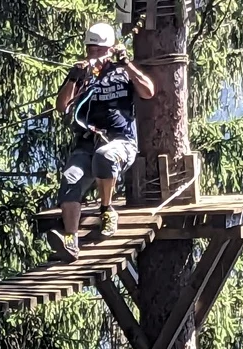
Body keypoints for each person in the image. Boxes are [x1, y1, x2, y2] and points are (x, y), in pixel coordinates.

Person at [46, 22, 155, 262]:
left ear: (109, 49)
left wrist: (126, 64)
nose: (93, 54)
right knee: (70, 177)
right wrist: (74, 78)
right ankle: (70, 241)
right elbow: (62, 106)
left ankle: (106, 210)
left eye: (98, 49)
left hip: (120, 142)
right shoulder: (81, 74)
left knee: (105, 156)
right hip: (87, 142)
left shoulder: (123, 70)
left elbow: (148, 91)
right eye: (90, 49)